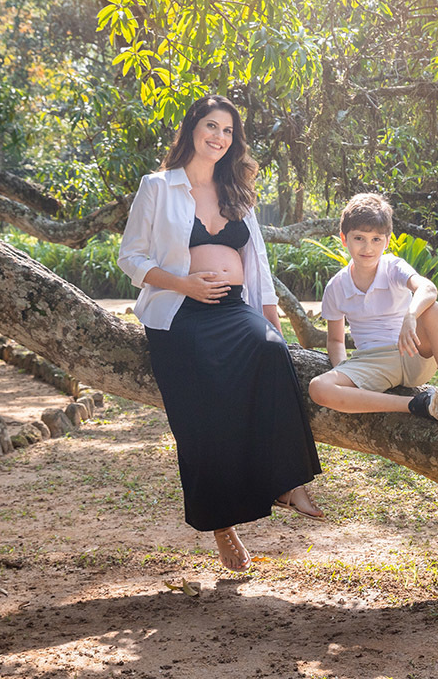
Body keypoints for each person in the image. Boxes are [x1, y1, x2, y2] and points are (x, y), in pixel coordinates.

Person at [117, 94, 323, 573]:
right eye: (212, 126)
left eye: (228, 131)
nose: (219, 137)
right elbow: (131, 257)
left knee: (273, 353)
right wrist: (184, 282)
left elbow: (260, 264)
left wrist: (271, 320)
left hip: (234, 308)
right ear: (192, 128)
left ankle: (289, 481)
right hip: (179, 313)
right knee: (200, 416)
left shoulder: (238, 189)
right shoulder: (157, 186)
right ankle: (222, 528)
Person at [307, 193, 438, 422]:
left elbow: (428, 288)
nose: (368, 247)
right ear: (344, 239)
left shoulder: (393, 266)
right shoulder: (336, 286)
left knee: (433, 310)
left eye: (376, 239)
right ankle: (418, 404)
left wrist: (411, 316)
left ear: (387, 240)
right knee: (318, 388)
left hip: (412, 351)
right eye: (359, 238)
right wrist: (344, 370)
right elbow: (335, 341)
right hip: (371, 362)